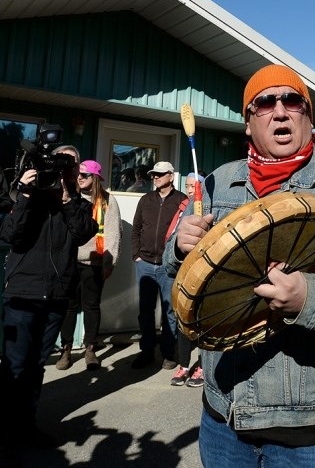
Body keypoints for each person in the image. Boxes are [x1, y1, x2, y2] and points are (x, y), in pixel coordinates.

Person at [163, 64, 315, 467]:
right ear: (248, 123)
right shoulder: (218, 182)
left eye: (292, 101)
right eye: (264, 102)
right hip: (225, 417)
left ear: (307, 116)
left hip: (312, 427)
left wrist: (312, 297)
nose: (279, 110)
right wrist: (179, 246)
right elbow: (179, 263)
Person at [0, 144, 96, 451]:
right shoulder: (29, 194)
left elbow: (83, 233)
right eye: (62, 162)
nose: (67, 169)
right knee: (15, 367)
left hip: (56, 297)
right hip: (23, 294)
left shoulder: (78, 202)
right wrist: (26, 195)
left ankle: (26, 428)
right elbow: (10, 236)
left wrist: (67, 199)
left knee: (37, 367)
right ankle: (8, 434)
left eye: (72, 164)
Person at [55, 160, 122, 371]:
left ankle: (90, 348)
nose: (80, 178)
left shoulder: (107, 201)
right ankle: (65, 349)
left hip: (94, 262)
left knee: (92, 306)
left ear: (96, 179)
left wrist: (109, 263)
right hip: (68, 261)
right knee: (69, 307)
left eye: (85, 175)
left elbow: (113, 233)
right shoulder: (69, 197)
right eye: (79, 174)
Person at [130, 161, 187, 370]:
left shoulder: (182, 201)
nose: (155, 177)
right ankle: (146, 352)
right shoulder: (146, 200)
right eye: (154, 174)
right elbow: (136, 229)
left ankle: (168, 353)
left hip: (168, 266)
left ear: (171, 176)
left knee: (169, 311)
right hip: (144, 263)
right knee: (145, 310)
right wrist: (136, 255)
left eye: (160, 174)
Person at [167, 172, 205, 388]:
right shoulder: (183, 207)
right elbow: (171, 235)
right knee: (183, 320)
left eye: (194, 186)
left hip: (200, 274)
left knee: (200, 321)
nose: (190, 190)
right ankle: (184, 364)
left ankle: (201, 366)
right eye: (188, 186)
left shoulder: (206, 207)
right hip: (181, 272)